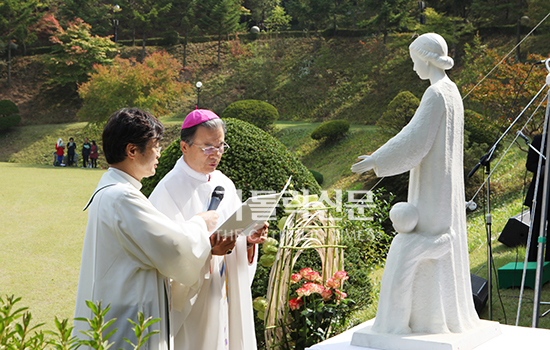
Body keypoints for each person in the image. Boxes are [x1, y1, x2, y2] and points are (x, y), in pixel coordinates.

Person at [351, 33, 480, 334]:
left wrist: (376, 160)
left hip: (433, 187)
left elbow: (415, 138)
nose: (413, 69)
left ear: (424, 59)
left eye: (413, 62)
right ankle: (441, 315)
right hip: (445, 183)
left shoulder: (435, 94)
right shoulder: (452, 91)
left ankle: (427, 320)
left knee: (424, 244)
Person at [73, 108, 221, 350]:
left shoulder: (113, 191)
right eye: (155, 145)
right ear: (132, 150)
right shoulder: (123, 198)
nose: (159, 153)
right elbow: (174, 248)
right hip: (127, 321)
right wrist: (200, 224)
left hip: (119, 309)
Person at [149, 109, 268, 350]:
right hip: (193, 304)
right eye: (207, 147)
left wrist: (248, 239)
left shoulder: (223, 182)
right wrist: (209, 251)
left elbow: (235, 229)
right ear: (184, 147)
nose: (216, 154)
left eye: (221, 146)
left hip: (224, 291)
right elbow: (164, 259)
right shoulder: (167, 191)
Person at [524, 133, 550, 262]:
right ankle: (532, 263)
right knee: (535, 230)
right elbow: (530, 164)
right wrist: (544, 169)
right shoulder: (539, 140)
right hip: (539, 193)